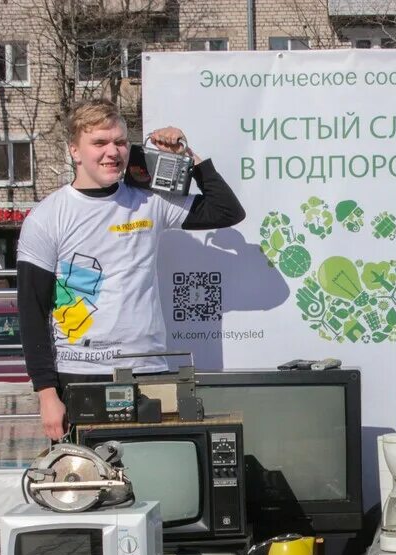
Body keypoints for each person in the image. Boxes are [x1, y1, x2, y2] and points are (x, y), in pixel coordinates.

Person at [17, 100, 245, 441]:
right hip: (80, 371)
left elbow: (226, 211)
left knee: (154, 476)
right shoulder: (47, 217)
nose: (113, 152)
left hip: (148, 371)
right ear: (75, 151)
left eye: (121, 142)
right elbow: (31, 313)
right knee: (88, 484)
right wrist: (47, 394)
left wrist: (189, 156)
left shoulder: (149, 201)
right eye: (99, 143)